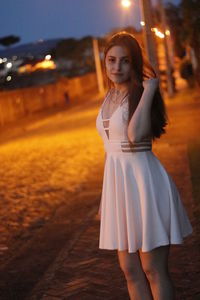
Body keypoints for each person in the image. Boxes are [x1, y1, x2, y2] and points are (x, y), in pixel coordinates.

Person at [95, 32, 193, 300]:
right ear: (105, 63)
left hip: (145, 185)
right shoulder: (109, 97)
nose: (117, 67)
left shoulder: (141, 95)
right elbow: (109, 149)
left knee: (153, 269)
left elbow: (134, 136)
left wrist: (150, 89)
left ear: (134, 63)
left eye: (124, 61)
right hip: (119, 190)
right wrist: (106, 201)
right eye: (111, 60)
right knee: (130, 270)